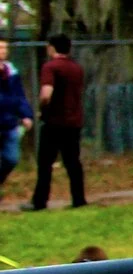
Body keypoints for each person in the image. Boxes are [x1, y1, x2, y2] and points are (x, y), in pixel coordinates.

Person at [26, 34, 86, 210]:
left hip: (54, 122)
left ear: (52, 48)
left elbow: (46, 93)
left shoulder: (50, 67)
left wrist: (41, 109)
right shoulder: (76, 68)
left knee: (45, 163)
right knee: (73, 162)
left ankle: (39, 201)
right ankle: (79, 198)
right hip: (74, 121)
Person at [0, 37, 31, 204]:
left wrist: (25, 115)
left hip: (9, 122)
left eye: (5, 48)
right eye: (0, 48)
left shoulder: (11, 72)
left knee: (11, 159)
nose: (3, 51)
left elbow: (19, 96)